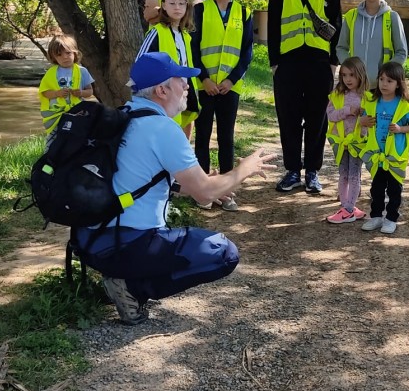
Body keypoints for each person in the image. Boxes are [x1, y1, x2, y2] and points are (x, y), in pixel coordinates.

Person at [71, 52, 275, 325]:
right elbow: (205, 193)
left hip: (88, 242)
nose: (188, 86)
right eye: (181, 81)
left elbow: (142, 178)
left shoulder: (123, 116)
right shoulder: (162, 129)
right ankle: (132, 288)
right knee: (225, 254)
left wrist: (202, 185)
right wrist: (244, 169)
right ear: (162, 90)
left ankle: (122, 276)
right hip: (127, 244)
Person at [267, 0, 342, 195]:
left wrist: (333, 63)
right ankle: (291, 171)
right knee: (288, 119)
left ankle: (312, 172)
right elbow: (273, 27)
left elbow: (338, 28)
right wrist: (274, 63)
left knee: (316, 120)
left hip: (319, 65)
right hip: (288, 64)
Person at [190, 0, 254, 211]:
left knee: (226, 137)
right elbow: (193, 47)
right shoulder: (200, 11)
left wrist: (231, 80)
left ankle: (226, 191)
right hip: (203, 85)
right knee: (203, 135)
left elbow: (246, 51)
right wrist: (204, 78)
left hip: (230, 86)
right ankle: (203, 190)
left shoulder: (243, 12)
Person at [358, 62, 409, 235]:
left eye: (389, 81)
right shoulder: (371, 101)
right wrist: (362, 122)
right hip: (376, 155)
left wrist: (401, 129)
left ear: (398, 84)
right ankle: (376, 216)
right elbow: (362, 118)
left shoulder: (403, 105)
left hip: (395, 157)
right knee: (376, 188)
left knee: (394, 189)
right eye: (381, 79)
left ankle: (391, 218)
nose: (384, 84)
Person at [138, 0, 199, 137]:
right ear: (164, 5)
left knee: (178, 135)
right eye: (172, 3)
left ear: (187, 6)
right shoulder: (157, 32)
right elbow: (140, 65)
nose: (177, 7)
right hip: (161, 98)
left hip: (180, 96)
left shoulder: (186, 36)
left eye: (181, 3)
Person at [336, 0, 408, 83]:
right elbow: (341, 48)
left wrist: (386, 74)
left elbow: (401, 52)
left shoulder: (392, 17)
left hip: (381, 88)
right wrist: (350, 69)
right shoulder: (351, 16)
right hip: (356, 85)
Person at [325, 57, 372, 224]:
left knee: (354, 174)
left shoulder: (367, 97)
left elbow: (369, 122)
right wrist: (347, 110)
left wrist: (363, 122)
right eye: (344, 75)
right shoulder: (337, 95)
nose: (348, 79)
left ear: (360, 75)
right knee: (343, 173)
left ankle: (349, 208)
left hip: (357, 143)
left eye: (352, 75)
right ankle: (345, 206)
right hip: (340, 142)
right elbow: (330, 115)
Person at [38, 34, 95, 138]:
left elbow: (90, 91)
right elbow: (45, 93)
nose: (65, 57)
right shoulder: (50, 73)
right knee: (54, 138)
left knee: (76, 138)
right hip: (56, 114)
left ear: (75, 53)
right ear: (53, 57)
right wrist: (56, 93)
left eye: (68, 53)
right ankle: (51, 153)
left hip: (77, 112)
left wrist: (81, 93)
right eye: (59, 54)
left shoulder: (82, 71)